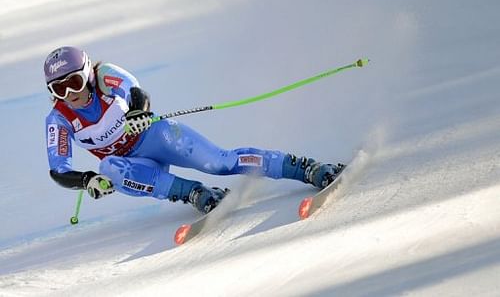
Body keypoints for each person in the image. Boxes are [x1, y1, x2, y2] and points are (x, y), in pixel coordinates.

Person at [44, 46, 344, 214]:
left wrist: (139, 112)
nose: (69, 93)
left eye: (75, 82)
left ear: (87, 75)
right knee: (108, 168)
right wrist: (88, 180)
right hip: (135, 163)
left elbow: (136, 91)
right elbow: (59, 170)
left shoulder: (104, 74)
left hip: (155, 137)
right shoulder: (59, 119)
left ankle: (303, 168)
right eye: (59, 88)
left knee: (220, 162)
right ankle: (194, 193)